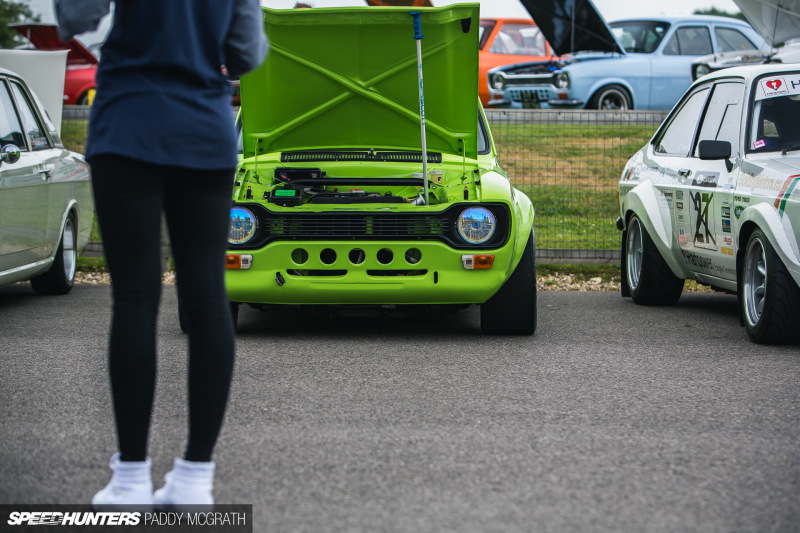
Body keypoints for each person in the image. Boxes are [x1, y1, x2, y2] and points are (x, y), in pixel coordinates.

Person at [54, 0, 268, 507]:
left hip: (128, 122)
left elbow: (74, 18)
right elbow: (245, 53)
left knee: (133, 297)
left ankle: (130, 478)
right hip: (204, 128)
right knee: (207, 295)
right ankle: (195, 477)